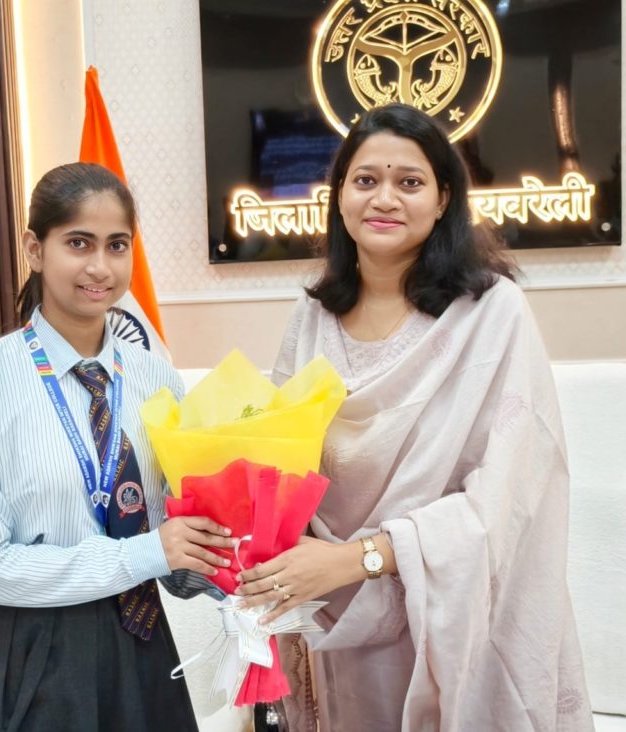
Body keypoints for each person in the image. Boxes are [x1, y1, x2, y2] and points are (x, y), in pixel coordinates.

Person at [235, 104, 594, 731]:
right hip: (329, 608)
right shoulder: (313, 316)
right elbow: (280, 454)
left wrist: (358, 559)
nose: (385, 199)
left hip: (453, 611)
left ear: (442, 197)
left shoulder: (491, 312)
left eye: (409, 181)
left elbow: (505, 494)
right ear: (339, 195)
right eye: (365, 180)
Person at [0, 162, 230, 731]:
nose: (100, 266)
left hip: (140, 644)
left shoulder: (156, 378)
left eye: (117, 245)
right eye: (78, 243)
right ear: (35, 249)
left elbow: (174, 541)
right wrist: (148, 554)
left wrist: (238, 561)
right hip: (27, 655)